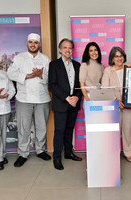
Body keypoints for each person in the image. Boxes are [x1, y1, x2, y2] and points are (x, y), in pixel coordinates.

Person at [7, 33, 52, 167]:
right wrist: (28, 75)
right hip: (24, 98)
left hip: (42, 98)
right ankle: (23, 153)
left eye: (36, 43)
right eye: (31, 42)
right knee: (23, 127)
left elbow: (50, 77)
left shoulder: (45, 59)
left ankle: (40, 150)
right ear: (27, 44)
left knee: (42, 126)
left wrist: (41, 75)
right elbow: (11, 73)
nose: (33, 45)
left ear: (39, 45)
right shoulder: (19, 58)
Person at [49, 38, 83, 170]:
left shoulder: (77, 65)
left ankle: (68, 153)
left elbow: (80, 86)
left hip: (73, 103)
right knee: (59, 130)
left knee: (69, 130)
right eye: (65, 48)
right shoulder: (54, 64)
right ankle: (57, 157)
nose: (68, 50)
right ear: (60, 49)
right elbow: (52, 84)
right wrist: (66, 97)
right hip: (61, 103)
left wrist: (76, 97)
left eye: (70, 48)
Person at [101, 46, 131, 162]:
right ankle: (113, 153)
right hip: (114, 105)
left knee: (127, 129)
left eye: (121, 56)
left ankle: (128, 152)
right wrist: (116, 99)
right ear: (112, 58)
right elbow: (105, 88)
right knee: (114, 131)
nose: (119, 58)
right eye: (116, 56)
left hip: (129, 104)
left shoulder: (129, 67)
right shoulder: (107, 71)